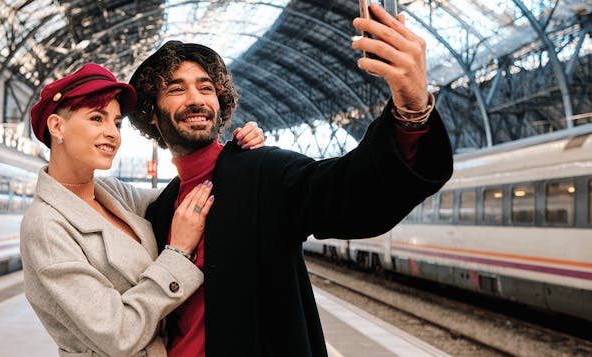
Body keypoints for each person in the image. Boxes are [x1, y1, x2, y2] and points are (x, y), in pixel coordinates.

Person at [126, 5, 454, 357]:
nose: (196, 99)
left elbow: (353, 194)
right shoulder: (159, 212)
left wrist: (411, 107)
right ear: (152, 115)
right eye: (176, 89)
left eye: (206, 88)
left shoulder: (264, 174)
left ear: (219, 104)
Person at [20, 63, 265, 357]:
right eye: (97, 118)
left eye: (117, 122)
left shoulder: (114, 194)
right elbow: (119, 334)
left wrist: (231, 155)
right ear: (57, 126)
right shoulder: (47, 228)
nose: (112, 133)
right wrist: (177, 253)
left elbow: (193, 194)